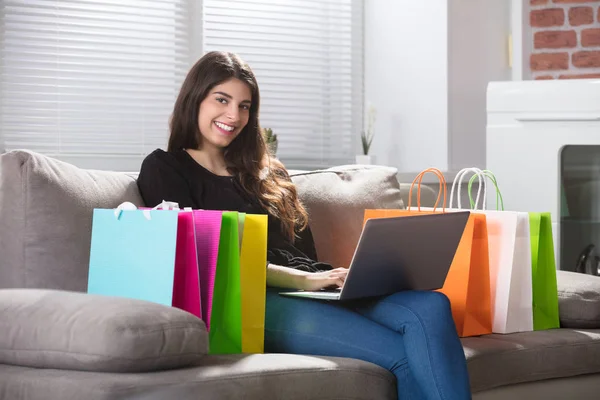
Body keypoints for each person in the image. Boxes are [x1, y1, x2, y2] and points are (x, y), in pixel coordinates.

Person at [137, 51, 472, 400]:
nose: (233, 115)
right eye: (222, 100)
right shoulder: (166, 168)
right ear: (196, 99)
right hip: (254, 300)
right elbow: (204, 260)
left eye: (245, 105)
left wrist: (338, 277)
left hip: (317, 286)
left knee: (431, 306)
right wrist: (306, 280)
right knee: (404, 357)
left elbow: (304, 252)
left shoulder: (268, 173)